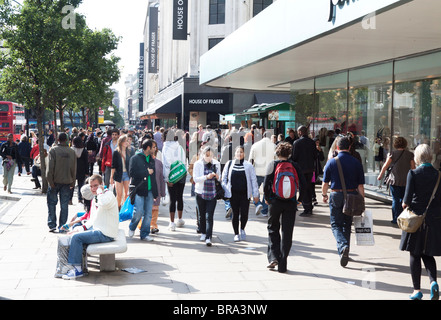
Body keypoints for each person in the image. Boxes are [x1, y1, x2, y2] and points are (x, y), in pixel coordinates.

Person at [400, 144, 441, 300]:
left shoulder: (413, 173)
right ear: (431, 156)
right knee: (428, 254)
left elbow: (406, 202)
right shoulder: (438, 175)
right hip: (434, 220)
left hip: (416, 220)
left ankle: (417, 290)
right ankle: (433, 283)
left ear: (417, 157)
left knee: (415, 254)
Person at [60, 174, 119, 279]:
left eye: (95, 185)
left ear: (102, 184)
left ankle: (77, 270)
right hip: (99, 230)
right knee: (75, 234)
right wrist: (79, 229)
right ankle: (70, 266)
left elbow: (103, 203)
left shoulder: (108, 195)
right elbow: (92, 219)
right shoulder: (97, 197)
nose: (93, 189)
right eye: (91, 186)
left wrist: (100, 191)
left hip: (106, 233)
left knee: (76, 238)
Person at [263, 142, 307, 273]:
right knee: (287, 233)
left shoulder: (272, 164)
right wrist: (299, 200)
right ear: (289, 154)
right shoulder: (295, 165)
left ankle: (273, 257)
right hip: (291, 203)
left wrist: (267, 198)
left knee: (272, 229)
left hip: (275, 202)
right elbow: (304, 185)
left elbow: (266, 184)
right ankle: (283, 264)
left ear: (277, 153)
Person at [322, 136, 365, 267]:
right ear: (350, 147)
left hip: (336, 195)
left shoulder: (331, 162)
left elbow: (325, 183)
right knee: (347, 224)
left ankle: (342, 246)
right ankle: (345, 250)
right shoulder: (356, 162)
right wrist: (362, 201)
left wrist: (324, 194)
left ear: (337, 147)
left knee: (335, 224)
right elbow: (360, 186)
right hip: (352, 195)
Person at [223, 146, 260, 242]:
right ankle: (236, 233)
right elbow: (224, 178)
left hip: (245, 194)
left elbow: (253, 180)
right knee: (235, 214)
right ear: (235, 154)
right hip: (233, 194)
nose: (239, 154)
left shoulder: (248, 165)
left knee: (244, 214)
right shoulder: (229, 164)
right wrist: (225, 190)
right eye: (238, 152)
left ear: (244, 154)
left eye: (241, 152)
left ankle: (242, 228)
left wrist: (256, 194)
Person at [377, 137, 415, 224]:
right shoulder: (410, 155)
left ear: (395, 144)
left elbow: (385, 166)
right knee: (404, 199)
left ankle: (395, 219)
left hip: (394, 180)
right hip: (406, 181)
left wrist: (380, 175)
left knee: (395, 199)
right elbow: (413, 168)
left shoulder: (392, 154)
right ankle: (403, 217)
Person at [128, 139, 158, 241]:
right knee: (138, 212)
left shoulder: (152, 159)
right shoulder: (135, 158)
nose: (155, 149)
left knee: (148, 214)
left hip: (150, 190)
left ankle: (145, 234)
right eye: (153, 147)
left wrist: (155, 192)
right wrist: (146, 172)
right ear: (148, 148)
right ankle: (132, 226)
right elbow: (132, 173)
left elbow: (153, 177)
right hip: (139, 189)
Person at [46, 132, 77, 233]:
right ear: (67, 140)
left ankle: (52, 224)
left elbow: (50, 168)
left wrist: (50, 181)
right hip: (67, 181)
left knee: (51, 203)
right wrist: (73, 182)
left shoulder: (53, 150)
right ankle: (62, 226)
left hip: (54, 181)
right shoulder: (71, 152)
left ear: (57, 140)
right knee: (64, 205)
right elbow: (74, 168)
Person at [194, 146, 221, 246]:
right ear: (203, 154)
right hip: (200, 192)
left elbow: (220, 178)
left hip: (212, 193)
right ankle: (203, 232)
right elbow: (195, 179)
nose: (209, 158)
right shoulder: (198, 164)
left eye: (211, 156)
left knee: (209, 215)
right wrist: (206, 177)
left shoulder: (216, 164)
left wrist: (217, 177)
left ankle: (208, 236)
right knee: (201, 214)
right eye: (207, 155)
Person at [162, 129, 187, 231]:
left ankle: (172, 223)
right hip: (181, 174)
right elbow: (183, 160)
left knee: (172, 198)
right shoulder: (180, 146)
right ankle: (180, 219)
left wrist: (167, 178)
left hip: (172, 175)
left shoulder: (166, 147)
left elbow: (166, 164)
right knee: (179, 197)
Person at [291, 125, 317, 216]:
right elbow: (315, 156)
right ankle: (309, 206)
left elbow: (294, 157)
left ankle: (307, 208)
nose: (297, 133)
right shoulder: (312, 142)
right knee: (309, 187)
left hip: (301, 170)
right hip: (310, 169)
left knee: (303, 188)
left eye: (298, 132)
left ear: (300, 132)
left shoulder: (296, 143)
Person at [248, 131, 275, 217]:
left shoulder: (255, 145)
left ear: (262, 136)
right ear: (271, 137)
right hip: (269, 173)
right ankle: (264, 210)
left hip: (257, 171)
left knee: (254, 189)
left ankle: (257, 203)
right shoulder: (274, 146)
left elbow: (250, 160)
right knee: (267, 191)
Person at [110, 135, 133, 209]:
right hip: (118, 174)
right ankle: (117, 208)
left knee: (127, 193)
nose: (127, 142)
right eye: (125, 141)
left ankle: (124, 209)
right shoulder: (116, 152)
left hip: (127, 174)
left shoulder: (129, 151)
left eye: (127, 141)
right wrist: (111, 177)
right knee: (119, 194)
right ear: (121, 142)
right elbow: (113, 166)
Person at [150, 140, 166, 234]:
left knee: (155, 208)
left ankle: (153, 225)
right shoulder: (141, 160)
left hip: (157, 189)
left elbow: (161, 179)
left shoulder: (159, 163)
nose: (154, 148)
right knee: (146, 210)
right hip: (145, 190)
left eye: (155, 147)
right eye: (152, 147)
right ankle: (143, 225)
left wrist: (163, 192)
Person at [70, 136, 88, 205]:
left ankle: (70, 199)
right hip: (82, 169)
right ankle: (80, 199)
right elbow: (86, 162)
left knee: (71, 185)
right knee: (81, 185)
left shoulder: (71, 150)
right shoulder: (84, 150)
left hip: (72, 169)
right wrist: (87, 172)